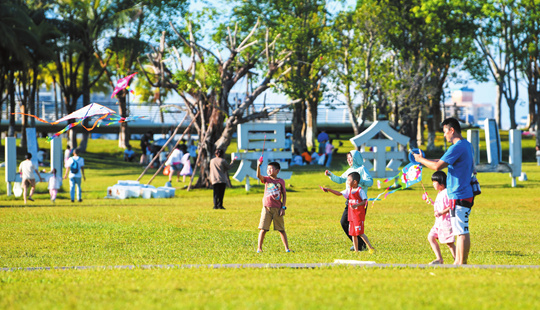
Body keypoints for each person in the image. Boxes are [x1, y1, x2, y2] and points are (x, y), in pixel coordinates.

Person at [413, 117, 474, 265]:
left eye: (445, 132)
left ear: (452, 130)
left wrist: (420, 160)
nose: (444, 135)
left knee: (461, 231)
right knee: (460, 231)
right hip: (463, 193)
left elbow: (437, 166)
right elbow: (441, 161)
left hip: (460, 194)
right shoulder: (466, 145)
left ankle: (461, 263)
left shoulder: (457, 147)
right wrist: (424, 159)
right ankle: (459, 262)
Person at [325, 150, 373, 251]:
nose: (348, 160)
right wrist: (330, 175)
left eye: (350, 158)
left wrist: (360, 182)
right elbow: (340, 180)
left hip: (359, 203)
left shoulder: (362, 169)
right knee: (344, 222)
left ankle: (361, 246)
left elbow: (370, 182)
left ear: (355, 158)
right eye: (347, 159)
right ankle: (359, 244)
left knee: (357, 225)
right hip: (350, 202)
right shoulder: (349, 170)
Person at [321, 172, 375, 253]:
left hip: (358, 216)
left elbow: (365, 201)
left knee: (360, 233)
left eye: (348, 180)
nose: (347, 182)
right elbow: (339, 193)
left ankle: (370, 248)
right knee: (353, 233)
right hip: (351, 216)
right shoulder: (349, 190)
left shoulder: (360, 191)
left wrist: (357, 205)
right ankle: (356, 251)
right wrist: (329, 190)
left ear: (355, 182)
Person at [256, 160, 290, 253]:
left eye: (271, 169)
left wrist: (283, 207)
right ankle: (259, 248)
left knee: (281, 229)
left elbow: (284, 194)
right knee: (263, 229)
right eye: (268, 169)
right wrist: (258, 166)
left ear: (277, 171)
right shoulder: (266, 180)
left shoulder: (281, 181)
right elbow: (258, 176)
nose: (269, 171)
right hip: (266, 208)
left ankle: (287, 248)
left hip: (278, 209)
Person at [425, 171, 456, 265]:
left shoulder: (447, 193)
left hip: (446, 222)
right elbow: (440, 205)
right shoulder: (440, 193)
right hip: (438, 222)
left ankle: (458, 260)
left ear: (441, 183)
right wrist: (432, 202)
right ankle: (439, 259)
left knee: (449, 243)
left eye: (434, 182)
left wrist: (441, 212)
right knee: (431, 237)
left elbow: (451, 206)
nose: (433, 184)